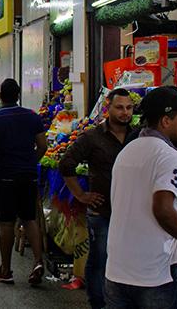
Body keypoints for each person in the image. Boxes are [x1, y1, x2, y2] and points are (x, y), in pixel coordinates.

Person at [105, 86, 177, 309]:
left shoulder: (127, 151)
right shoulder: (169, 156)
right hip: (154, 274)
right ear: (166, 121)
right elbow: (163, 209)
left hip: (117, 270)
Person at [58, 88, 134, 309]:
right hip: (102, 210)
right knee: (100, 258)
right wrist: (80, 195)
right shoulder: (92, 137)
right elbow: (66, 164)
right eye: (119, 107)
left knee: (127, 259)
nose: (125, 112)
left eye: (129, 108)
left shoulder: (137, 136)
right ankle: (98, 303)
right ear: (108, 108)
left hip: (131, 212)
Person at [0, 79, 48, 285]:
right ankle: (38, 262)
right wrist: (30, 162)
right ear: (18, 95)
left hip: (6, 176)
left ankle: (5, 270)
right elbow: (43, 146)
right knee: (29, 219)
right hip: (28, 176)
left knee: (6, 223)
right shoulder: (32, 117)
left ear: (1, 96)